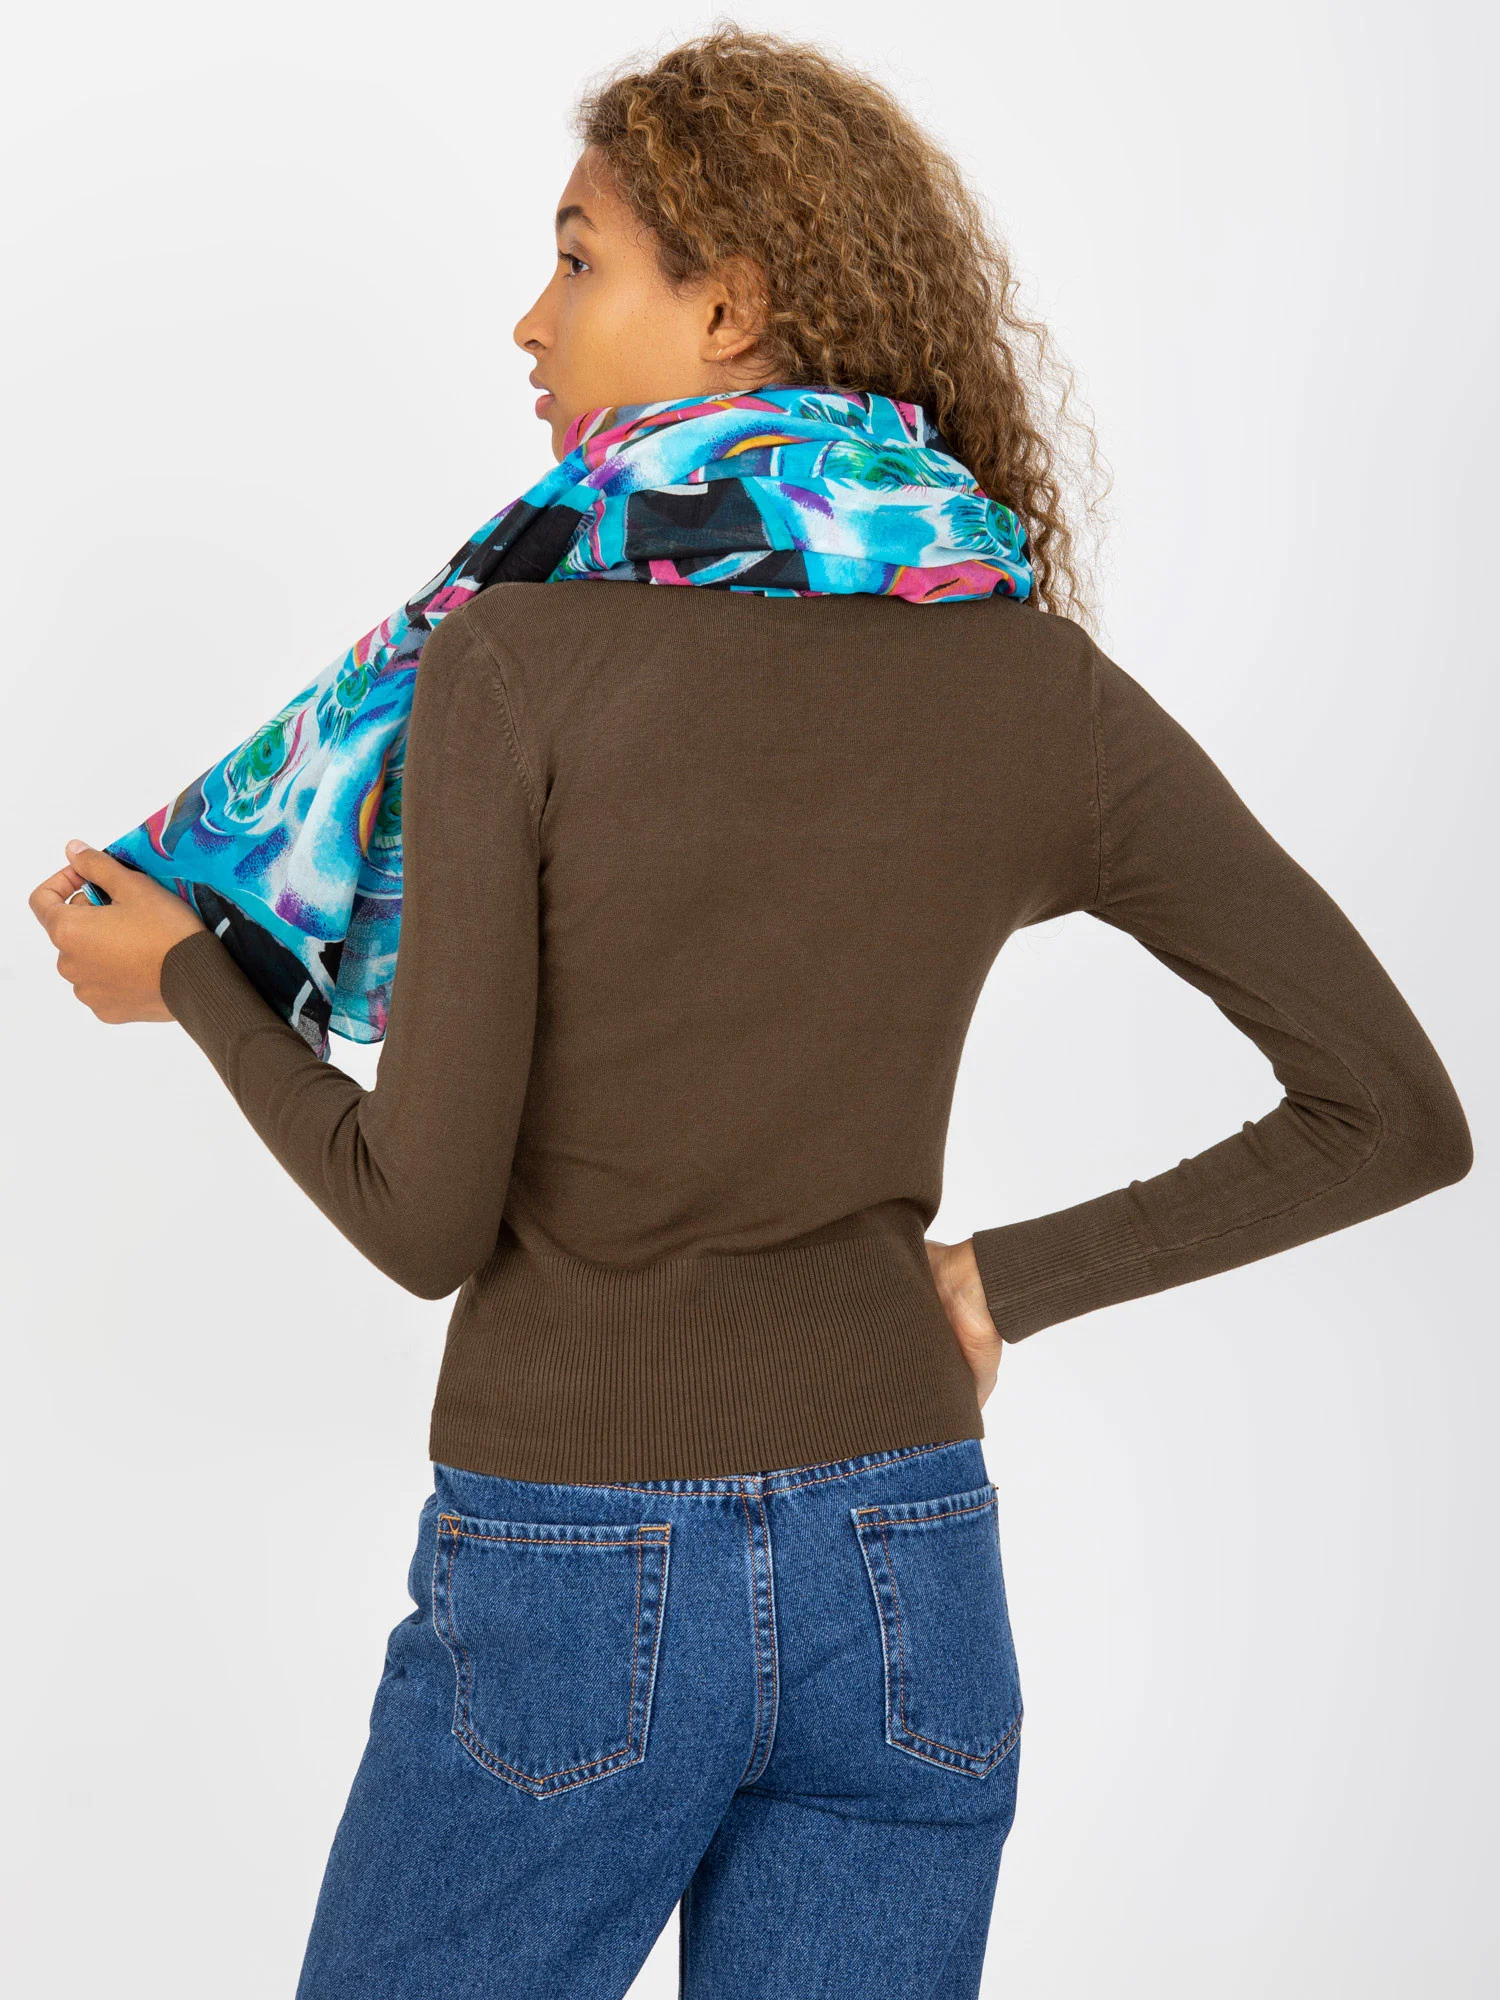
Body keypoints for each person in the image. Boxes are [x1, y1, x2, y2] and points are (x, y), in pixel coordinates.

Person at [26, 26, 1471, 2000]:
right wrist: (998, 1285)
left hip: (576, 1578)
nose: (529, 317)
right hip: (911, 1568)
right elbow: (1392, 1109)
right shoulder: (1031, 684)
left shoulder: (517, 660)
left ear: (733, 309)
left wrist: (192, 980)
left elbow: (422, 1218)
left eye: (578, 258)